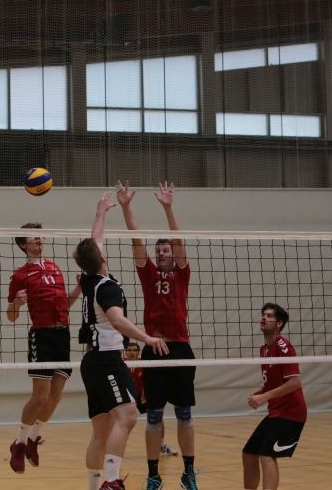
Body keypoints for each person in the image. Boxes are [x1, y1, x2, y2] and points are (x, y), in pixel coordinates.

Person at [74, 191, 169, 490]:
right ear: (102, 258)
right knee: (128, 416)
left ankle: (95, 487)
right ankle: (112, 481)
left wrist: (100, 213)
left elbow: (95, 242)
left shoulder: (88, 278)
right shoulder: (107, 287)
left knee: (101, 432)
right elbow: (117, 320)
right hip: (107, 360)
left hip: (91, 361)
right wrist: (147, 338)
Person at [116, 180, 198, 490]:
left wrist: (168, 207)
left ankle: (188, 473)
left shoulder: (181, 273)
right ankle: (154, 475)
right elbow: (136, 239)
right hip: (154, 350)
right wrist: (126, 207)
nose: (162, 252)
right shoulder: (148, 273)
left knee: (184, 414)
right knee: (153, 416)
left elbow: (178, 239)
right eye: (158, 250)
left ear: (173, 253)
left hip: (180, 349)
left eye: (166, 250)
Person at [6, 223, 82, 473]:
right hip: (41, 335)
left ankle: (33, 438)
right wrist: (17, 304)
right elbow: (11, 316)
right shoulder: (20, 275)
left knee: (56, 396)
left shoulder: (55, 268)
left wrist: (80, 288)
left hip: (63, 334)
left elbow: (65, 304)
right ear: (23, 244)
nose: (39, 239)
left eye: (41, 235)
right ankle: (18, 444)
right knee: (40, 396)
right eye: (33, 237)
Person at [242, 303, 307, 490]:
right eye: (263, 314)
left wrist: (265, 397)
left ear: (279, 323)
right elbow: (276, 380)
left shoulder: (284, 347)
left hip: (291, 414)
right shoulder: (264, 349)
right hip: (276, 412)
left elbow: (295, 381)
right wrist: (262, 391)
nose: (264, 317)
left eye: (269, 316)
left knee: (267, 455)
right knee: (249, 453)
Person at [123, 342, 179, 456]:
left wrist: (145, 392)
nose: (132, 353)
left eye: (134, 350)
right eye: (129, 350)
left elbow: (149, 378)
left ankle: (161, 445)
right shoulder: (121, 364)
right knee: (118, 420)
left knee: (157, 416)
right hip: (127, 396)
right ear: (126, 352)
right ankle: (114, 446)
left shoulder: (144, 363)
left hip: (142, 395)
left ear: (138, 353)